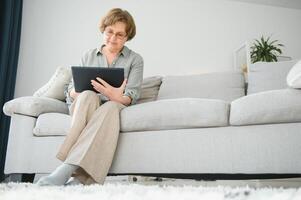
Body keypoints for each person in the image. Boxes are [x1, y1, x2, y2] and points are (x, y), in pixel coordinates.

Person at [37, 8, 143, 186]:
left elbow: (131, 95)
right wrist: (75, 92)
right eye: (110, 32)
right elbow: (70, 89)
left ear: (127, 37)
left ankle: (66, 169)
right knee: (86, 95)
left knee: (109, 107)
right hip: (85, 105)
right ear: (103, 30)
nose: (113, 38)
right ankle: (81, 179)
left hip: (114, 106)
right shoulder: (88, 55)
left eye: (120, 35)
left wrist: (113, 95)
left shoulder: (135, 60)